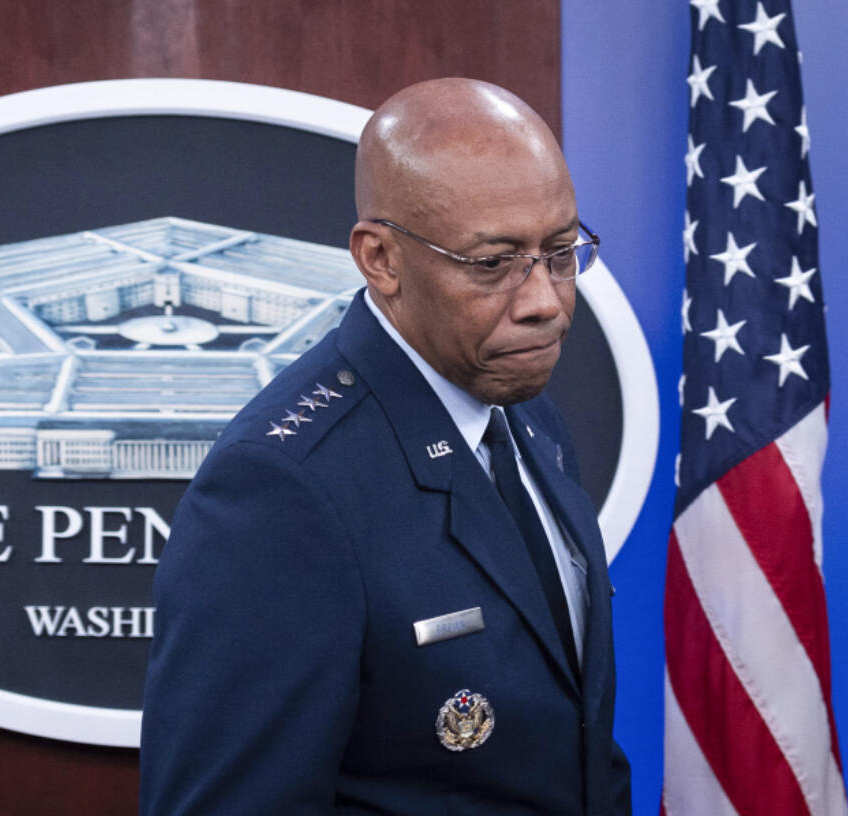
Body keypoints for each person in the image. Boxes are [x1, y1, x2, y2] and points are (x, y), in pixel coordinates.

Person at [140, 78, 631, 815]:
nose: (545, 302)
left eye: (560, 251)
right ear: (381, 259)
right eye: (493, 263)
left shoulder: (528, 418)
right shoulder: (284, 490)